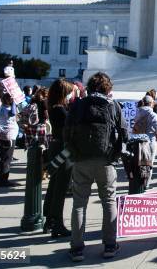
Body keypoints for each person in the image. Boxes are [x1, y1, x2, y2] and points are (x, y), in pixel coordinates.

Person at [64, 72, 128, 262]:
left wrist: (73, 153)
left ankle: (76, 248)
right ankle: (109, 245)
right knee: (108, 201)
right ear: (108, 88)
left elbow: (66, 133)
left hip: (81, 159)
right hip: (105, 160)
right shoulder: (113, 105)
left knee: (79, 204)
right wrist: (115, 156)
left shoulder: (78, 105)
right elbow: (124, 134)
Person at [43, 78, 74, 237]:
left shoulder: (53, 107)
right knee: (61, 187)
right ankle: (57, 222)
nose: (70, 96)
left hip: (56, 147)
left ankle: (49, 218)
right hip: (63, 149)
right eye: (69, 93)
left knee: (54, 185)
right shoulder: (61, 110)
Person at [132, 95, 157, 178]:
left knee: (138, 162)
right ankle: (146, 184)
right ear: (151, 103)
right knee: (149, 163)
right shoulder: (153, 115)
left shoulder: (138, 112)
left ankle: (138, 181)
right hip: (150, 140)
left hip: (138, 141)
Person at [0, 92, 18, 187]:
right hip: (8, 136)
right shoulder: (6, 109)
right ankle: (3, 180)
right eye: (11, 99)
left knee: (3, 158)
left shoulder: (3, 108)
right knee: (6, 159)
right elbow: (13, 113)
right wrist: (14, 104)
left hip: (6, 135)